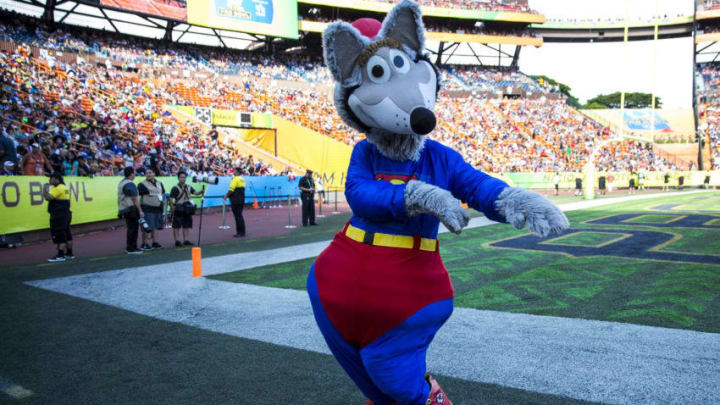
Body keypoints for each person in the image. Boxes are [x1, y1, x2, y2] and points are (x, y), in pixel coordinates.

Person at [44, 172, 74, 262]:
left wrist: (44, 189)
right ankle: (69, 253)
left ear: (56, 179)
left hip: (58, 215)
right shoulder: (64, 187)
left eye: (51, 178)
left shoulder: (57, 188)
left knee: (59, 235)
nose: (49, 180)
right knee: (67, 234)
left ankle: (60, 255)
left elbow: (48, 198)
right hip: (66, 214)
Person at [169, 171, 203, 247]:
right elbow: (171, 198)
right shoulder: (175, 188)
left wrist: (201, 191)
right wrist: (172, 208)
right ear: (178, 178)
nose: (183, 179)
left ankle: (186, 240)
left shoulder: (188, 186)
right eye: (181, 177)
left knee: (186, 225)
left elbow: (195, 193)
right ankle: (177, 241)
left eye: (184, 177)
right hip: (179, 208)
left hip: (187, 208)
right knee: (176, 226)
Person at [137, 168, 165, 250]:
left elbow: (162, 194)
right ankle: (144, 244)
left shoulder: (160, 183)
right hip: (147, 208)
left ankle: (155, 243)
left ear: (154, 173)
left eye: (150, 172)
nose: (148, 174)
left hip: (158, 208)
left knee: (156, 226)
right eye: (147, 173)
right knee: (147, 227)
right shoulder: (141, 184)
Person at [118, 166, 144, 254]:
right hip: (131, 208)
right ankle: (131, 248)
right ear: (132, 174)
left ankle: (131, 247)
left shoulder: (122, 182)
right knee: (133, 228)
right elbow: (134, 198)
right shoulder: (130, 183)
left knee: (131, 228)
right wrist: (140, 210)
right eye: (134, 173)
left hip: (124, 208)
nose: (135, 175)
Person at [224, 167, 246, 238]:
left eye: (235, 170)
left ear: (238, 172)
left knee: (237, 216)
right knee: (240, 216)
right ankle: (242, 231)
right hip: (241, 199)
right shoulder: (242, 179)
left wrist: (226, 196)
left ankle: (239, 232)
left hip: (235, 200)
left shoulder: (235, 179)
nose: (233, 171)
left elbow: (231, 190)